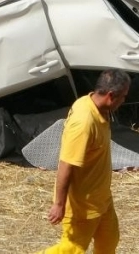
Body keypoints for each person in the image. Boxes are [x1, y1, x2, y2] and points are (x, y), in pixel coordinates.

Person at [39, 69, 131, 254]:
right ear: (111, 96)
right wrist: (59, 204)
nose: (124, 101)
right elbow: (66, 164)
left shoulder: (97, 107)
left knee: (108, 243)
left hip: (101, 199)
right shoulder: (83, 123)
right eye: (123, 97)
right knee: (71, 249)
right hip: (83, 206)